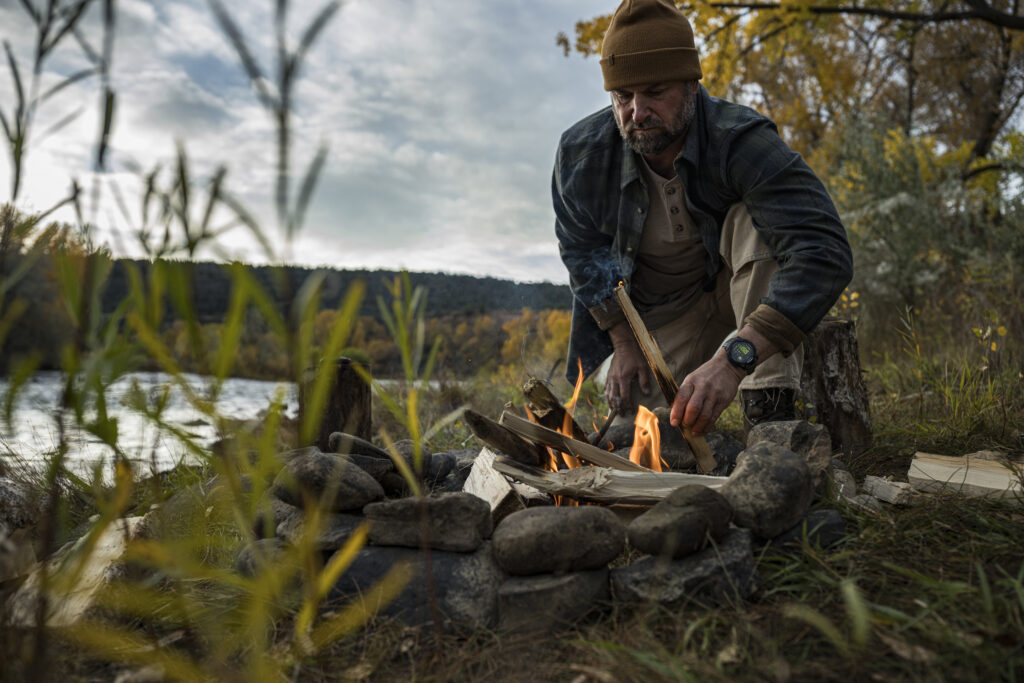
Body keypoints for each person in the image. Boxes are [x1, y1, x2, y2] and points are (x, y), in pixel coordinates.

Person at [553, 0, 853, 436]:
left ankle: (769, 416)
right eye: (623, 96)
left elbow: (824, 251)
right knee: (640, 433)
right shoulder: (581, 155)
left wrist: (734, 361)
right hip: (665, 310)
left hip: (747, 295)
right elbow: (581, 253)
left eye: (655, 91)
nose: (637, 112)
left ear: (692, 85)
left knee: (755, 222)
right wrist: (624, 341)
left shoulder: (740, 140)